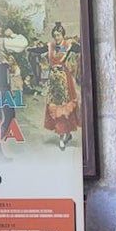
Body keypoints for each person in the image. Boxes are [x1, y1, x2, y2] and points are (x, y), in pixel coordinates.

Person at [43, 21, 81, 150]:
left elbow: (81, 49)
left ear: (63, 35)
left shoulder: (67, 45)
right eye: (55, 35)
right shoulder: (51, 46)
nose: (57, 38)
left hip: (65, 80)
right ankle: (63, 134)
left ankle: (65, 134)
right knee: (56, 108)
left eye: (58, 35)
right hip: (54, 81)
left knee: (65, 108)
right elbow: (40, 51)